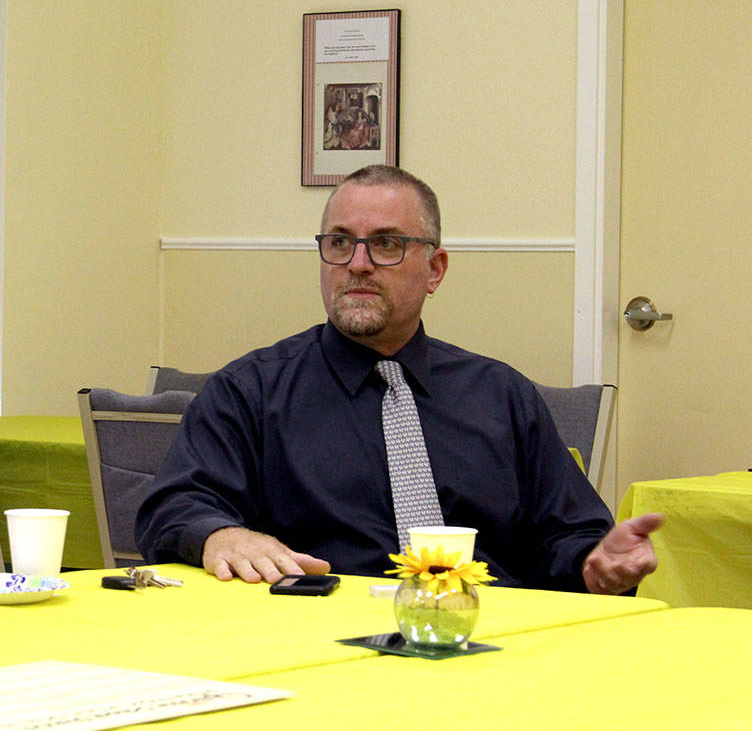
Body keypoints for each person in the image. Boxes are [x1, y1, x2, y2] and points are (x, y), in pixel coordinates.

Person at [135, 165, 661, 594]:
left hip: (489, 636)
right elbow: (174, 507)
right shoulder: (251, 392)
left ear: (435, 270)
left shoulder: (500, 395)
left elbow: (567, 536)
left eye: (386, 244)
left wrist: (596, 564)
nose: (358, 264)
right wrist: (220, 534)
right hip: (322, 636)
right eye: (340, 243)